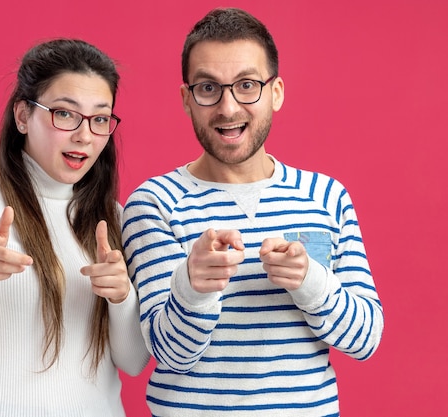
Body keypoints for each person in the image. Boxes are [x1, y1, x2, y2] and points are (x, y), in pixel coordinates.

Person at [121, 8, 384, 417]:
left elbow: (365, 339)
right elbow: (169, 355)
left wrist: (311, 283)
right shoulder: (153, 203)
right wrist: (193, 286)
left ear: (276, 92)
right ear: (186, 99)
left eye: (247, 85)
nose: (228, 108)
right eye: (208, 88)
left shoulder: (326, 197)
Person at [0, 38, 150, 417]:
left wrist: (122, 298)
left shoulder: (113, 219)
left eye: (100, 118)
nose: (85, 135)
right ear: (23, 116)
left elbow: (134, 362)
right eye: (64, 113)